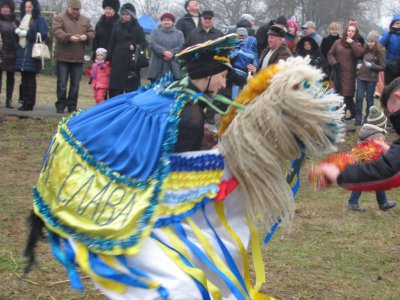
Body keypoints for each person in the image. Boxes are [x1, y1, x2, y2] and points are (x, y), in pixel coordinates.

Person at [25, 32, 345, 298]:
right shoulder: (180, 110)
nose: (223, 84)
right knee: (179, 284)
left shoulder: (180, 99)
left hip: (167, 203)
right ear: (205, 75)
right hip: (149, 211)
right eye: (221, 76)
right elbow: (164, 157)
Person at [316, 78, 400, 208]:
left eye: (394, 114)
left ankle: (364, 202)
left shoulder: (367, 132)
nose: (393, 122)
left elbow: (390, 171)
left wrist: (338, 174)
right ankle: (357, 203)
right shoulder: (375, 135)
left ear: (398, 97)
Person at [347, 106, 395, 211]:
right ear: (380, 124)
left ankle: (381, 203)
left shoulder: (366, 131)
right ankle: (355, 203)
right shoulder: (378, 136)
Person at [52, 0, 95, 114]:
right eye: (74, 9)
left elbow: (92, 32)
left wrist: (86, 36)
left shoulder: (85, 20)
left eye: (78, 10)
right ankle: (60, 105)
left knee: (75, 84)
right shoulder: (59, 18)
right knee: (62, 83)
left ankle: (72, 105)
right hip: (63, 57)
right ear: (69, 7)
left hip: (78, 57)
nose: (76, 11)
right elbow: (57, 31)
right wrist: (69, 37)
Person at [107, 3, 146, 97]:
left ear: (132, 15)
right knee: (116, 89)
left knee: (131, 90)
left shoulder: (138, 28)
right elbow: (111, 42)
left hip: (132, 63)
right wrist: (108, 58)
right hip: (117, 61)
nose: (125, 16)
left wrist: (135, 46)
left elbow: (144, 43)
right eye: (123, 14)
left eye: (127, 14)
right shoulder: (117, 26)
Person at [14, 0, 48, 111]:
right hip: (22, 52)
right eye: (26, 7)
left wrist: (28, 33)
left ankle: (29, 103)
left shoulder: (40, 19)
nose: (27, 9)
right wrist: (18, 32)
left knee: (30, 79)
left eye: (30, 7)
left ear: (34, 7)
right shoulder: (22, 19)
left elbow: (43, 34)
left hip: (32, 52)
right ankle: (24, 102)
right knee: (24, 79)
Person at [328, 24, 363, 120]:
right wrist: (334, 63)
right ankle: (341, 116)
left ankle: (354, 114)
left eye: (352, 31)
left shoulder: (357, 44)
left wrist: (352, 43)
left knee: (347, 96)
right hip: (338, 73)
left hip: (349, 74)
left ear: (355, 33)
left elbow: (359, 54)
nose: (350, 33)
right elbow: (330, 54)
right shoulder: (338, 42)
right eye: (349, 30)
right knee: (338, 95)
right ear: (346, 31)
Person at [354, 31, 385, 125]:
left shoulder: (380, 52)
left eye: (372, 41)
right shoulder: (365, 49)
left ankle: (367, 118)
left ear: (375, 42)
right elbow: (359, 57)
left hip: (371, 79)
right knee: (359, 98)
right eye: (368, 41)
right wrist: (359, 63)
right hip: (361, 77)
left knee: (369, 99)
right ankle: (358, 118)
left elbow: (383, 67)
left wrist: (372, 65)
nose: (369, 43)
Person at [147, 12, 184, 82]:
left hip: (173, 65)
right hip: (157, 65)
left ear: (173, 22)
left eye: (168, 20)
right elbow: (152, 43)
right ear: (161, 22)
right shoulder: (155, 31)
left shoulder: (179, 33)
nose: (166, 22)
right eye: (164, 20)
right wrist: (163, 52)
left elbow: (181, 45)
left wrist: (171, 53)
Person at [0, 0, 18, 109]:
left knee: (11, 78)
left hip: (13, 53)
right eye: (3, 7)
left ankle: (9, 100)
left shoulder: (16, 21)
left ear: (11, 8)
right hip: (1, 53)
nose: (5, 9)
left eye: (7, 7)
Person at [379, 14, 400, 85]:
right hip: (390, 65)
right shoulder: (388, 34)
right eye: (397, 23)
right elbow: (380, 44)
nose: (399, 25)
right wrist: (390, 32)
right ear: (392, 24)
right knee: (388, 87)